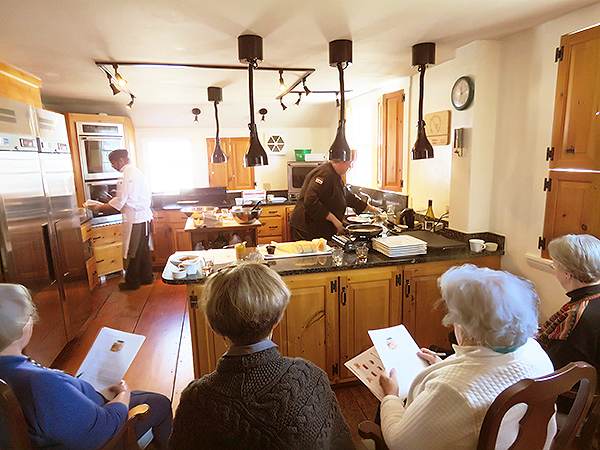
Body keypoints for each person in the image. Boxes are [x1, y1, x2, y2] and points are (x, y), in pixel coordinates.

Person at [168, 262, 353, 450]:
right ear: (277, 319)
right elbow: (343, 445)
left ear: (215, 327)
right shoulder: (311, 378)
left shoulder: (196, 400)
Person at [378, 264, 555, 450]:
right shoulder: (535, 351)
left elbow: (399, 443)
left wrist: (391, 395)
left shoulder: (451, 391)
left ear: (468, 327)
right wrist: (443, 365)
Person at [0, 283, 172, 450]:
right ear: (20, 327)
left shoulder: (14, 372)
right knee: (159, 403)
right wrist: (124, 394)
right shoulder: (39, 383)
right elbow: (102, 428)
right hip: (99, 433)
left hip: (69, 420)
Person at [87, 149, 154, 291]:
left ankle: (132, 282)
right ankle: (146, 277)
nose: (113, 166)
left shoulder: (126, 175)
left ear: (121, 160)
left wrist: (98, 207)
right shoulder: (136, 172)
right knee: (142, 250)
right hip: (144, 218)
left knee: (132, 251)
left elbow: (120, 201)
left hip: (134, 219)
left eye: (113, 163)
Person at [538, 234, 600, 372]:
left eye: (554, 266)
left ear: (567, 273)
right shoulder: (588, 299)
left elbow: (553, 366)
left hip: (576, 388)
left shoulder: (578, 315)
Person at [288, 156, 381, 241]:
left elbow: (347, 197)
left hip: (317, 227)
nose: (350, 166)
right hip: (305, 227)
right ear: (340, 161)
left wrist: (371, 209)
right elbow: (310, 201)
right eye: (348, 162)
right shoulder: (324, 173)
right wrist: (335, 221)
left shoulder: (335, 176)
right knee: (307, 258)